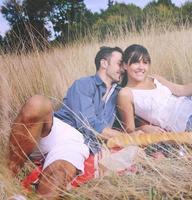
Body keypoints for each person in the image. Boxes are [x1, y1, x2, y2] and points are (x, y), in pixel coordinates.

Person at [7, 46, 127, 199]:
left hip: (79, 143)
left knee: (58, 176)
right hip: (60, 129)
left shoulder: (119, 94)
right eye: (119, 63)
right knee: (37, 102)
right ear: (104, 63)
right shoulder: (84, 84)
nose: (123, 68)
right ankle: (7, 177)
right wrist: (126, 137)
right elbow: (87, 123)